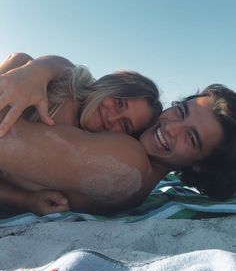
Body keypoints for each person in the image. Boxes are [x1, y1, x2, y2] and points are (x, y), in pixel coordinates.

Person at [0, 55, 236, 216]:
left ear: (201, 166)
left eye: (191, 138)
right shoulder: (132, 150)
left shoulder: (129, 164)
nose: (172, 128)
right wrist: (38, 69)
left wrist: (25, 66)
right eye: (182, 111)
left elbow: (5, 140)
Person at [0, 53, 162, 214]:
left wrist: (24, 200)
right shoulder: (63, 84)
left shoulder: (81, 158)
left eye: (125, 124)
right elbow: (43, 62)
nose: (112, 118)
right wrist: (39, 68)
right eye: (119, 103)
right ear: (110, 85)